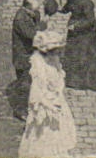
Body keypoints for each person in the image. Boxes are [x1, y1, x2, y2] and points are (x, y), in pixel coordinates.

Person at [20, 23, 79, 158]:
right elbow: (36, 94)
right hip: (46, 107)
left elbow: (58, 78)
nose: (60, 53)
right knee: (44, 138)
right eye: (57, 50)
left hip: (57, 102)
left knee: (60, 135)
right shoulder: (39, 67)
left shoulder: (54, 60)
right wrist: (48, 105)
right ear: (49, 51)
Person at [61, 0, 96, 91]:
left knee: (84, 57)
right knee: (72, 55)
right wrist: (61, 9)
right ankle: (73, 82)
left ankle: (88, 83)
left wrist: (76, 26)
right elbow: (68, 7)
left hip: (86, 34)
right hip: (74, 33)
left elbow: (90, 21)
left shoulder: (87, 3)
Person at [9, 0, 41, 121]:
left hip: (29, 55)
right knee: (24, 84)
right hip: (23, 56)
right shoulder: (21, 19)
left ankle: (27, 106)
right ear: (27, 7)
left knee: (29, 82)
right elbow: (31, 35)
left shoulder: (30, 14)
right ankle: (20, 110)